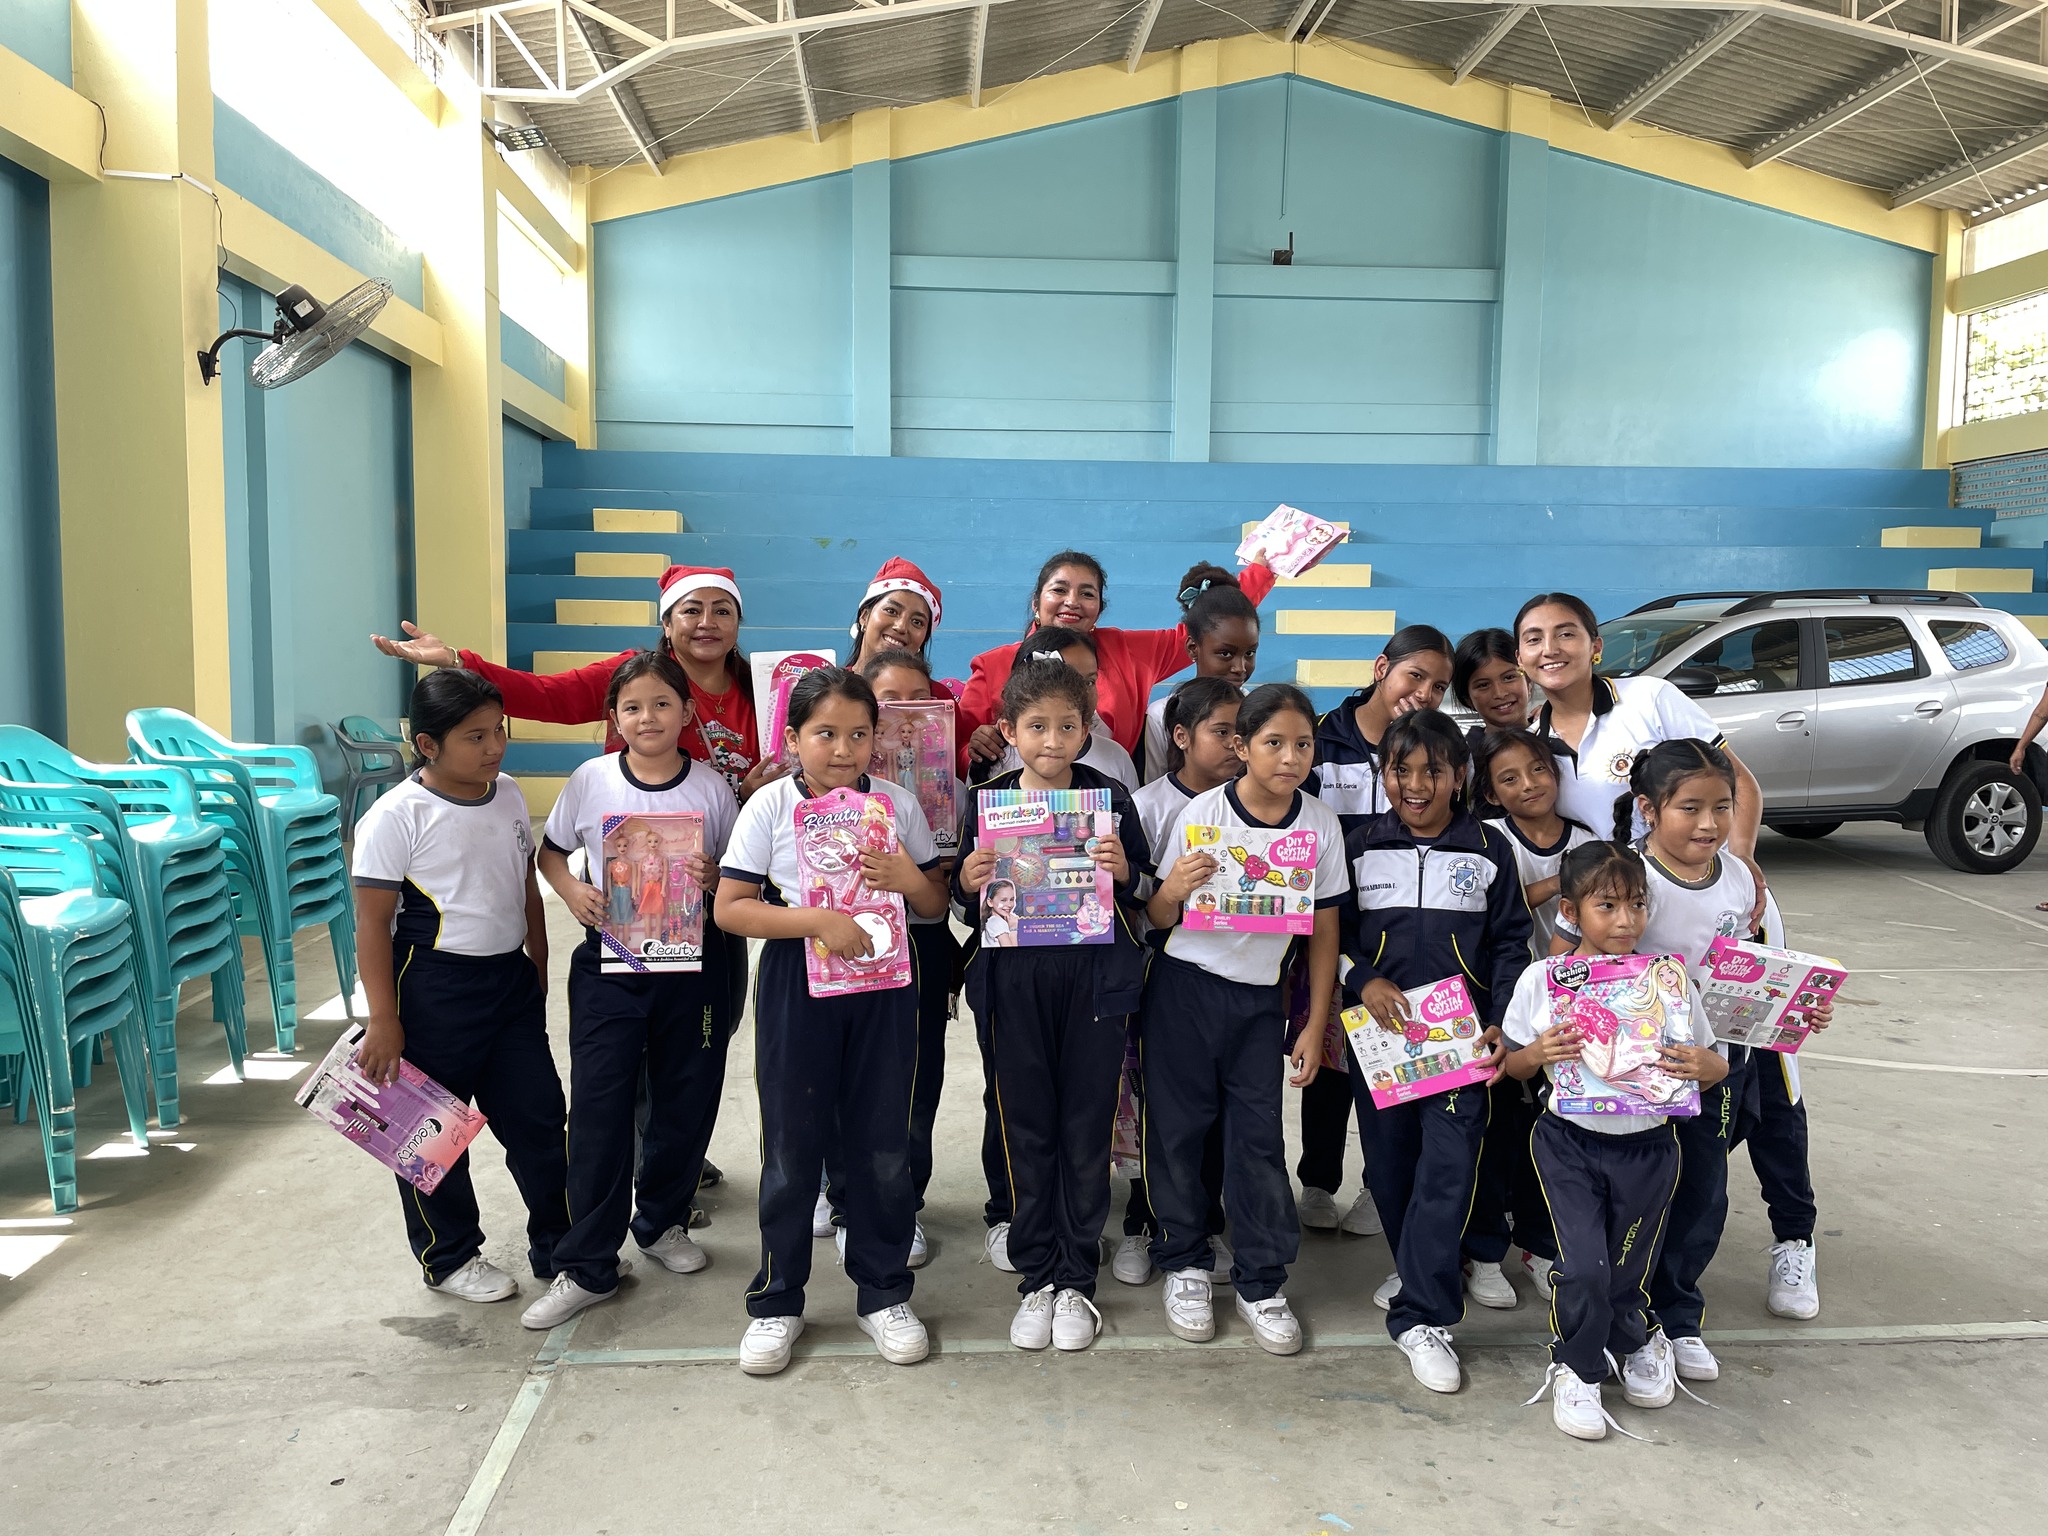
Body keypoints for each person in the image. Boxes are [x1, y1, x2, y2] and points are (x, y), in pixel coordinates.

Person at [714, 667, 950, 1376]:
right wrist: (816, 921)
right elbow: (730, 908)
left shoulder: (897, 805)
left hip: (885, 980)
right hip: (800, 978)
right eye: (825, 734)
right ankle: (777, 1300)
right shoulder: (769, 805)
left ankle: (884, 1293)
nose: (843, 749)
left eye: (858, 734)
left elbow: (934, 904)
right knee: (792, 1145)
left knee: (882, 1141)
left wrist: (908, 881)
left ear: (877, 738)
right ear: (792, 739)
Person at [523, 651, 739, 1330]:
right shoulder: (590, 781)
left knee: (685, 1098)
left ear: (687, 712)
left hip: (692, 968)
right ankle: (587, 1262)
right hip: (609, 966)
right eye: (633, 707)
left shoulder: (711, 789)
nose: (648, 717)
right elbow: (551, 852)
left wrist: (712, 879)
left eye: (662, 704)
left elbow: (736, 873)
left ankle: (662, 1222)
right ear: (614, 717)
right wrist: (571, 890)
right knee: (599, 1107)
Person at [1611, 738, 1834, 1387]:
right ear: (1649, 808)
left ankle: (1678, 1316)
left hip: (1718, 1070)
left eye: (1722, 808)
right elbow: (1594, 975)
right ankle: (1630, 1322)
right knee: (1636, 1198)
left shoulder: (1738, 876)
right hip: (1643, 1074)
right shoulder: (1628, 878)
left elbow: (1751, 976)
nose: (1709, 824)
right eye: (1690, 808)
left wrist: (1797, 1008)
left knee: (1702, 1194)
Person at [350, 669, 567, 1307]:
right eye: (475, 736)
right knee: (431, 1133)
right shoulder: (395, 816)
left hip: (509, 982)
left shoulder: (507, 794)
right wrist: (383, 1018)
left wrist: (537, 961)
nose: (494, 746)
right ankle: (449, 1258)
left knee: (539, 1118)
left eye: (499, 730)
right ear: (428, 745)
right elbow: (371, 922)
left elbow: (524, 885)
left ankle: (559, 1244)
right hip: (433, 986)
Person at [1141, 683, 1346, 1355]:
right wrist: (1173, 889)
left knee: (1257, 1140)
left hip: (1260, 1001)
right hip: (1183, 991)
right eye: (1273, 743)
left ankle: (1262, 1280)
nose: (1290, 758)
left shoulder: (1318, 825)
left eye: (1303, 744)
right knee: (1179, 1131)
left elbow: (1324, 932)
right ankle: (1186, 1261)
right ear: (1242, 746)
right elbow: (1158, 918)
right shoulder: (1203, 813)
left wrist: (1313, 1023)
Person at [954, 656, 1150, 1353]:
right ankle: (1038, 1275)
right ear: (1008, 730)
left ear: (1087, 727)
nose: (1052, 740)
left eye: (1067, 726)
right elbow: (965, 905)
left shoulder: (1109, 797)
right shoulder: (987, 801)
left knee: (1085, 1124)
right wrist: (967, 878)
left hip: (1094, 978)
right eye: (1036, 726)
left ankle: (1076, 1279)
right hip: (1013, 982)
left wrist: (1124, 872)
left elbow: (1144, 889)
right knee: (1026, 1123)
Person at [1504, 841, 1726, 1441]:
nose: (1626, 920)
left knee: (1629, 1265)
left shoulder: (1667, 981)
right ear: (1570, 912)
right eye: (1607, 906)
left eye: (1637, 904)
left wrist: (1708, 1066)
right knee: (1584, 1266)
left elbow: (1712, 1063)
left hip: (1650, 1146)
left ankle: (1633, 1338)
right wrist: (1537, 1052)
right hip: (1568, 1143)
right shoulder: (1543, 980)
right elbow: (1514, 1066)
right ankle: (1576, 1366)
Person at [1340, 709, 1529, 1395]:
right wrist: (1363, 979)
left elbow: (1510, 944)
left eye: (1433, 771)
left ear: (1459, 776)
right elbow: (1330, 942)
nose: (1416, 785)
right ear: (1382, 773)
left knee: (1448, 1170)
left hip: (1460, 1046)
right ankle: (1418, 1266)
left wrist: (1502, 1021)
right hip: (1381, 1044)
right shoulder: (1358, 846)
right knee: (1391, 1171)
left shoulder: (1488, 849)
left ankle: (1423, 1316)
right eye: (1401, 770)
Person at [1298, 625, 1458, 1236]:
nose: (1425, 693)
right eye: (1415, 676)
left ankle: (1377, 1184)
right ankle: (1318, 1179)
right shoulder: (1322, 742)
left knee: (1392, 1054)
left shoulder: (1432, 746)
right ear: (1381, 667)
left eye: (1439, 686)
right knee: (1329, 1054)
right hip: (1328, 923)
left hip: (1400, 925)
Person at [811, 647, 966, 1266]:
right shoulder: (809, 793)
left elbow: (937, 898)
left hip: (915, 947)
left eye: (917, 702)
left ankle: (901, 1202)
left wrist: (923, 879)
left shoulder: (936, 789)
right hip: (833, 948)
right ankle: (841, 1193)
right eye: (889, 702)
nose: (905, 716)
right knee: (835, 1076)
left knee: (911, 1081)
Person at [1514, 592, 1766, 918]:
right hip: (1618, 913)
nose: (1550, 649)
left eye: (1566, 634)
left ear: (1596, 647)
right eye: (1534, 639)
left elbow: (1738, 781)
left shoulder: (1649, 699)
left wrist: (1743, 858)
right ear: (1520, 658)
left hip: (1704, 894)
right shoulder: (1534, 749)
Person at [1112, 677, 1243, 1287]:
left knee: (1213, 1111)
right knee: (1153, 1108)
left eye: (1243, 733)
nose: (1236, 745)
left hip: (1230, 982)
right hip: (1155, 976)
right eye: (1222, 732)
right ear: (1182, 737)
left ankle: (1205, 1220)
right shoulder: (1148, 806)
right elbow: (1132, 897)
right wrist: (1166, 890)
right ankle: (1144, 1220)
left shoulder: (1257, 802)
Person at [1464, 726, 1599, 1307]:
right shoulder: (1491, 838)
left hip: (1574, 1011)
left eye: (1538, 769)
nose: (1529, 784)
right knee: (1496, 1133)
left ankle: (1540, 1245)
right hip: (1506, 1005)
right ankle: (1484, 1251)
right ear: (1490, 793)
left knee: (1552, 1134)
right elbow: (1496, 909)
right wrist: (1564, 881)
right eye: (1509, 778)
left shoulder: (1586, 837)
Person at [956, 553, 1276, 776]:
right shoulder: (991, 665)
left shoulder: (1130, 652)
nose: (1072, 601)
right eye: (1059, 590)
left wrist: (1261, 572)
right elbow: (958, 751)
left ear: (1099, 608)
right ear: (1036, 603)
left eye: (1087, 594)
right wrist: (975, 748)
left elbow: (1207, 630)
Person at [1139, 573, 1260, 782]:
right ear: (1193, 648)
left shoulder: (1259, 710)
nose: (1240, 668)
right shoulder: (1161, 715)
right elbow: (1153, 786)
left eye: (1249, 653)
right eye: (1225, 653)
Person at [988, 627, 1139, 790]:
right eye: (1066, 678)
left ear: (1083, 732)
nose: (1053, 743)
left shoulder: (1116, 758)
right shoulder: (994, 756)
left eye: (1089, 682)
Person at [1451, 627, 1532, 799]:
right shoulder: (1462, 758)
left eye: (1509, 677)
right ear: (1468, 698)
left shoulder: (1555, 738)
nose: (1500, 693)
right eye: (1483, 685)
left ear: (1529, 682)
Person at [843, 557, 946, 672]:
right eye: (891, 611)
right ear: (864, 616)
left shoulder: (935, 686)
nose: (901, 627)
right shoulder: (831, 683)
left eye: (917, 622)